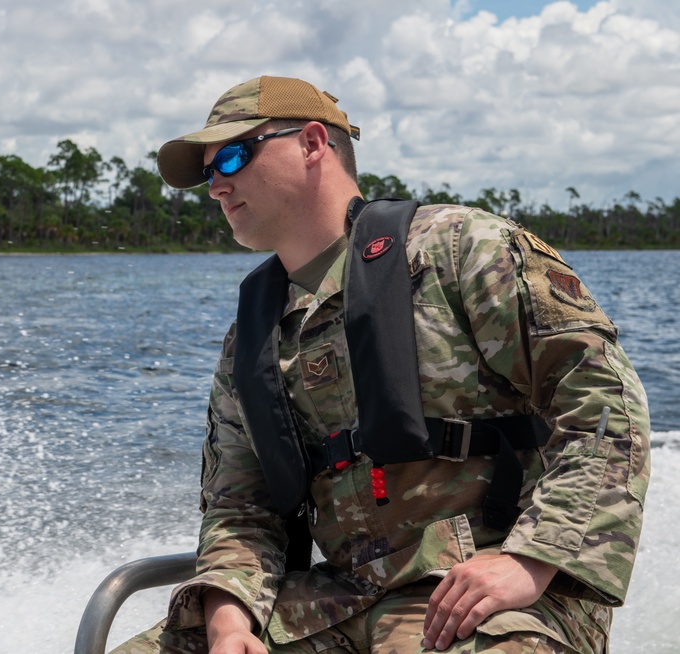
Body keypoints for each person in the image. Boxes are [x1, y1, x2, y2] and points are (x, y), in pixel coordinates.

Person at [111, 76, 650, 653]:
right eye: (207, 174)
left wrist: (532, 558)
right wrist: (228, 620)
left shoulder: (461, 250)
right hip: (340, 597)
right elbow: (242, 507)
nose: (217, 185)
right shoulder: (251, 336)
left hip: (496, 591)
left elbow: (604, 404)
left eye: (233, 156)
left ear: (313, 143)